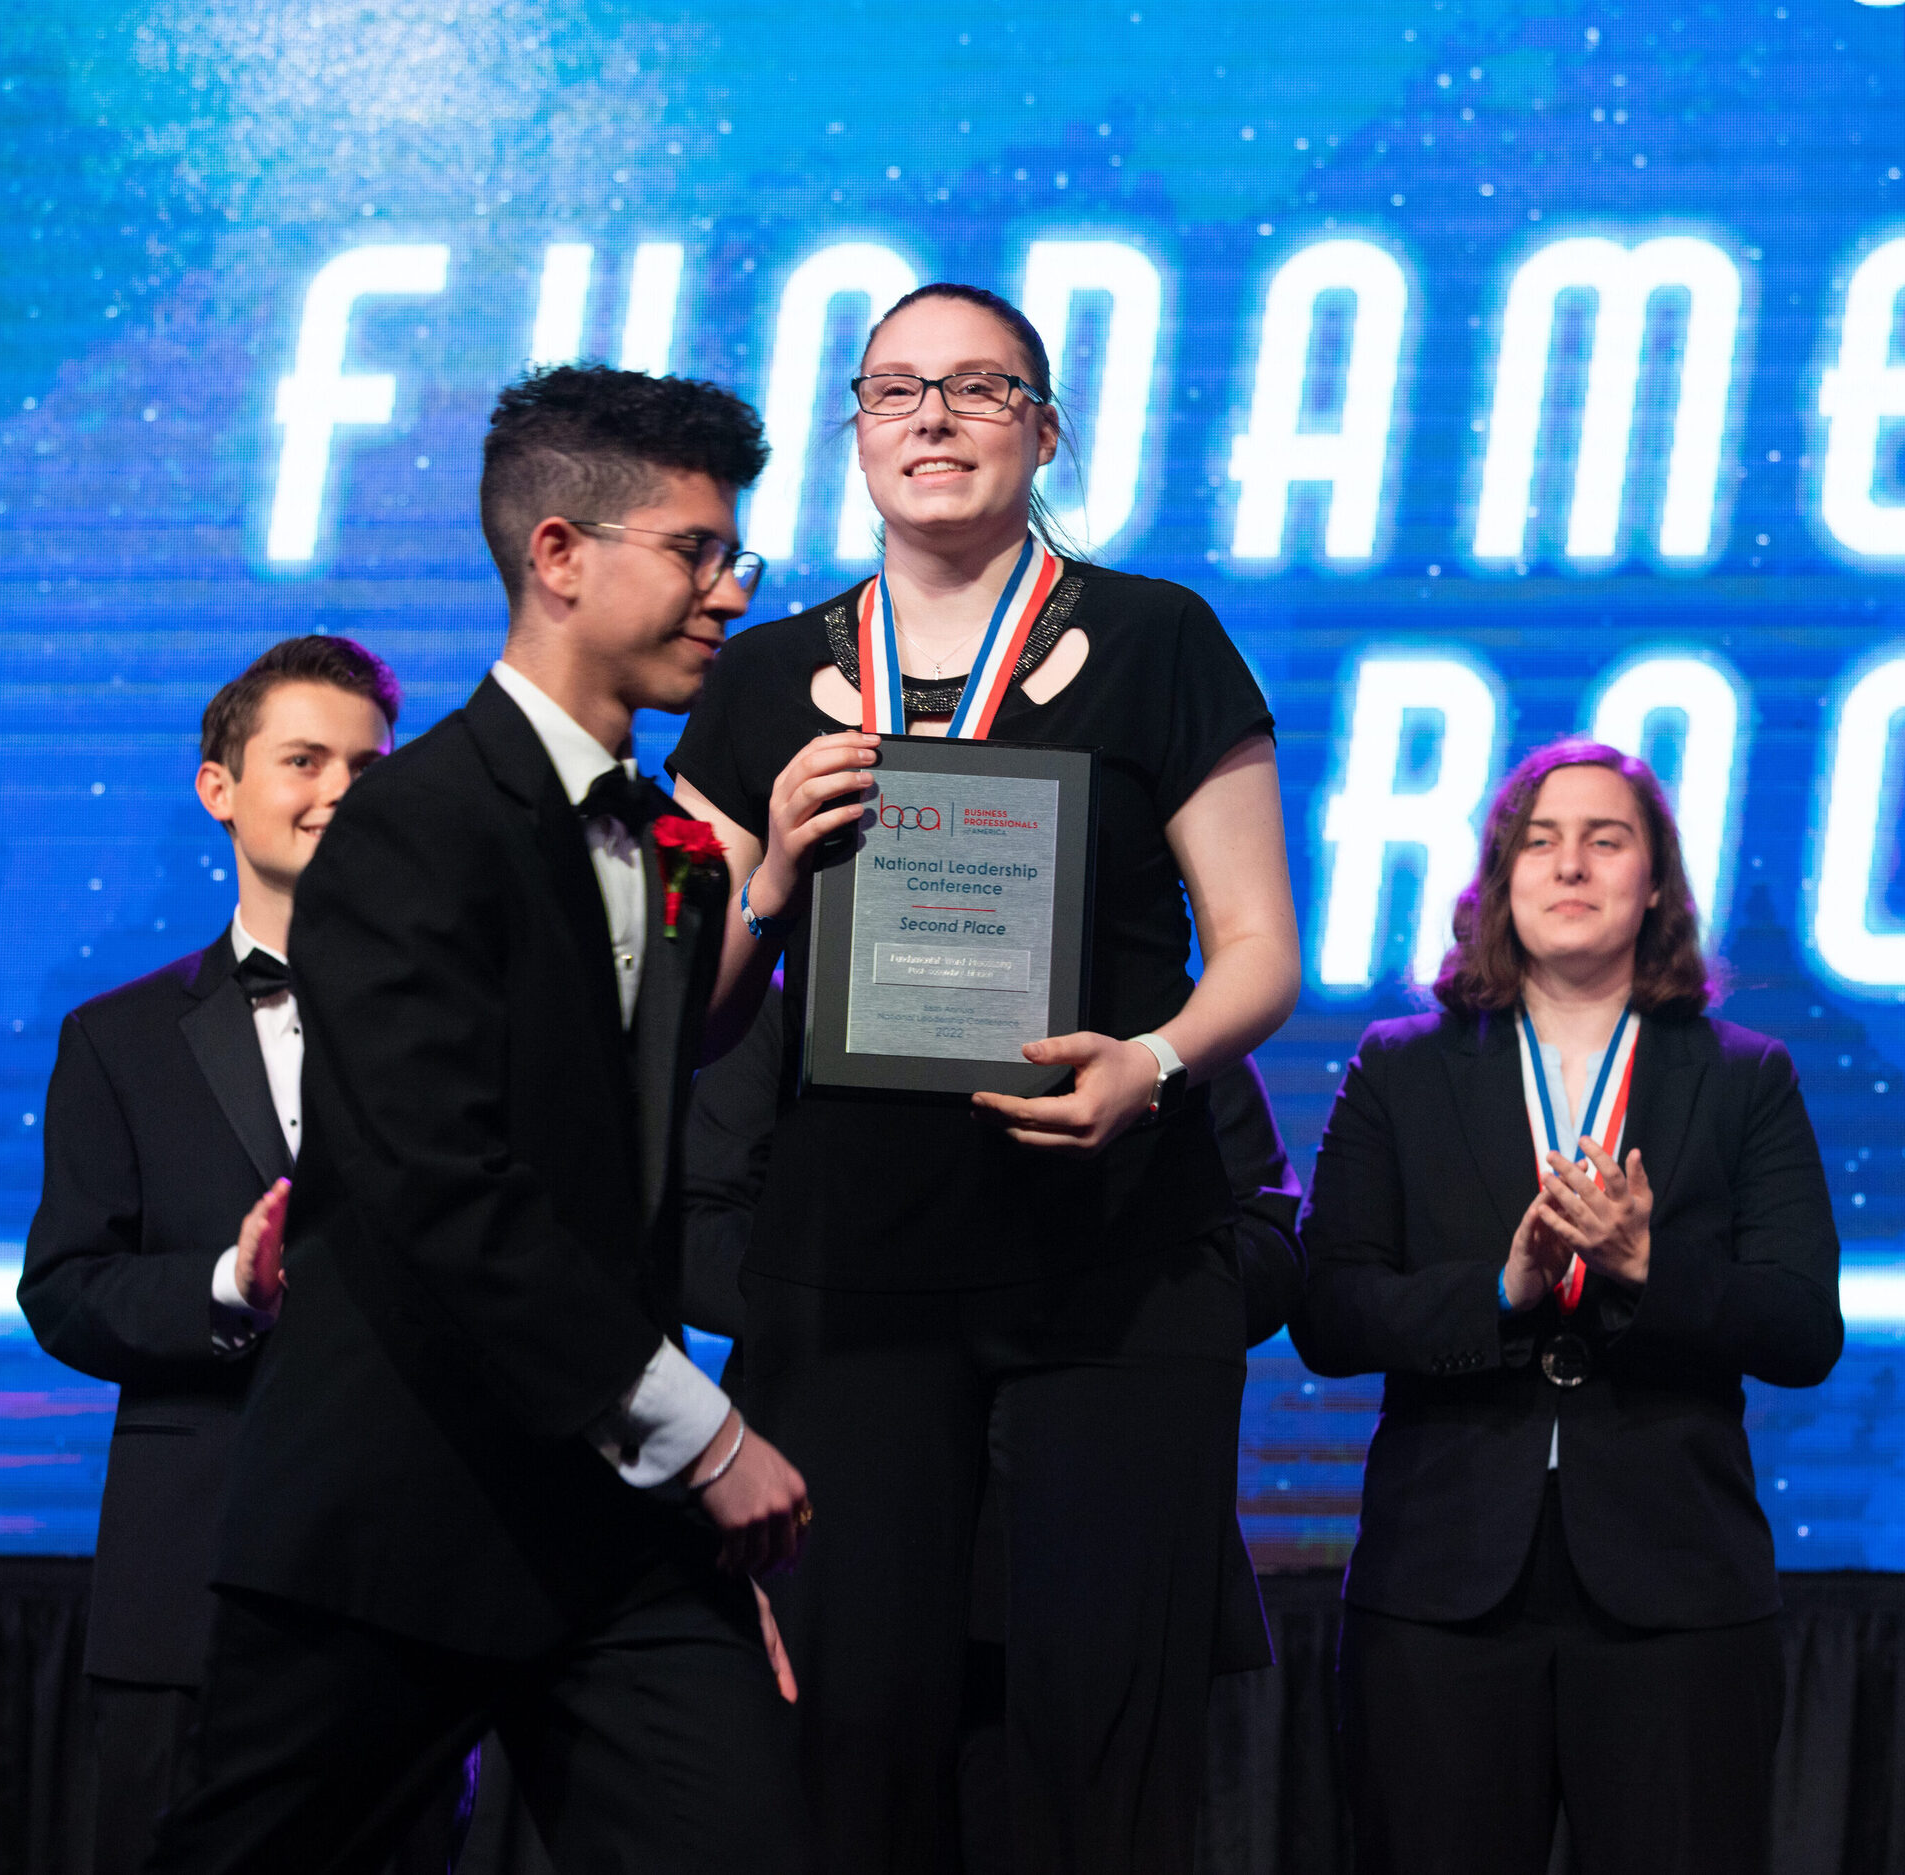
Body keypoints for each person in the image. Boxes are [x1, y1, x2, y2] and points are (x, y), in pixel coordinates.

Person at [665, 283, 1302, 1874]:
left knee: (1104, 1748)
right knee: (849, 1744)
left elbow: (1257, 951)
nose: (932, 418)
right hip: (853, 1275)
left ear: (1046, 428)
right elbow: (694, 1013)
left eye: (977, 386)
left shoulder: (1156, 638)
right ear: (855, 431)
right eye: (893, 389)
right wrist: (768, 872)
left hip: (1110, 1257)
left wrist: (1150, 1062)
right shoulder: (760, 679)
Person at [143, 364, 810, 1874]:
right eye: (696, 551)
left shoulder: (670, 840)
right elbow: (437, 1179)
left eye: (735, 555)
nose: (728, 591)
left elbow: (624, 1145)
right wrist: (703, 1434)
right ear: (558, 554)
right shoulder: (407, 823)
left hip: (615, 1525)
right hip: (397, 1504)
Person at [1291, 737, 1845, 1875]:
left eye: (1605, 840)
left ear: (1656, 884)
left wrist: (1646, 1267)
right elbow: (1328, 1313)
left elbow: (1802, 1329)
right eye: (1539, 842)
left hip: (1676, 1595)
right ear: (1499, 881)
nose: (1571, 865)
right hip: (1440, 1592)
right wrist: (1502, 1292)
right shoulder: (1399, 1066)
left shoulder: (1744, 1074)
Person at [671, 983, 1305, 1875]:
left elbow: (1272, 1233)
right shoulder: (809, 990)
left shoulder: (1150, 1000)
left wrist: (1118, 1309)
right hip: (851, 1537)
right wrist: (872, 1300)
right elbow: (693, 1225)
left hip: (1092, 1544)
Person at [19, 634, 419, 1875]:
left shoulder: (458, 1027)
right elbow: (65, 1290)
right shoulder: (120, 1039)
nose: (338, 791)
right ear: (219, 788)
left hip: (405, 1585)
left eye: (366, 767)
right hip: (188, 1589)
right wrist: (227, 1288)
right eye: (304, 760)